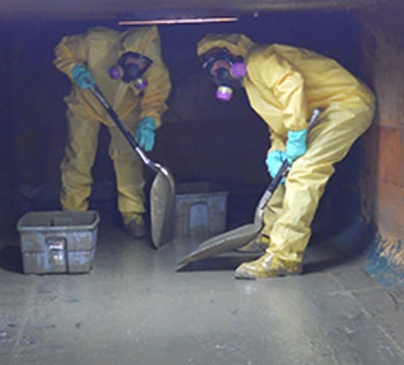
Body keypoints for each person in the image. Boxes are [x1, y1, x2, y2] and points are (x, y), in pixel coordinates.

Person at [197, 34, 375, 279]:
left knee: (305, 172)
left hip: (345, 104)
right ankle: (268, 237)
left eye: (220, 63)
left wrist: (297, 135)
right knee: (283, 175)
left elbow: (292, 85)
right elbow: (279, 120)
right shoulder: (251, 84)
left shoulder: (259, 59)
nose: (218, 72)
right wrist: (277, 150)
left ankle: (285, 257)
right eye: (210, 68)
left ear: (235, 55)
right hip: (316, 114)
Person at [53, 26, 171, 238]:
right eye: (132, 61)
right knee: (79, 156)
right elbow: (63, 50)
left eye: (141, 64)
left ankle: (132, 212)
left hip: (126, 110)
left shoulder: (155, 68)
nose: (136, 67)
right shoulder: (96, 42)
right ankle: (74, 214)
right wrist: (74, 69)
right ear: (122, 53)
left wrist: (149, 121)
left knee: (128, 159)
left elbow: (155, 97)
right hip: (86, 103)